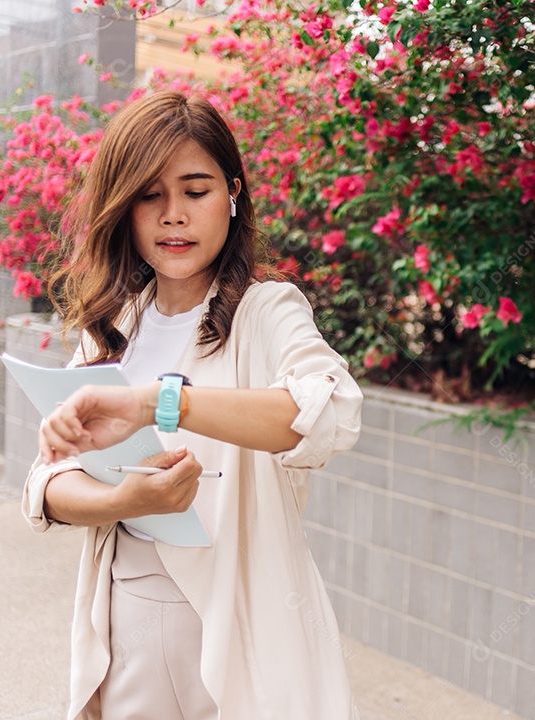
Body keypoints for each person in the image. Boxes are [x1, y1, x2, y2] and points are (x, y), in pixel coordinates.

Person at [22, 90, 363, 720]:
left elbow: (328, 414)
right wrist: (125, 502)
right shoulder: (114, 326)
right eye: (149, 195)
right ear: (124, 208)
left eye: (196, 190)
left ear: (232, 194)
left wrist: (160, 403)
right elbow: (47, 482)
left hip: (247, 618)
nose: (173, 215)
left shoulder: (266, 312)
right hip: (128, 614)